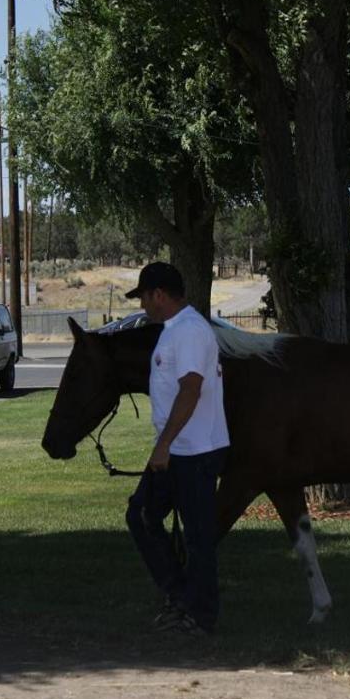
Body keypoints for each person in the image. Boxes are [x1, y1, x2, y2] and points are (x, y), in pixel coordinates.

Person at [123, 261, 229, 636]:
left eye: (144, 298)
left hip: (194, 450)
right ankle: (180, 595)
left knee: (198, 537)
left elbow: (191, 388)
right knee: (143, 515)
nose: (143, 306)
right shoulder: (175, 330)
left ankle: (200, 616)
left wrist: (164, 444)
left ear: (160, 294)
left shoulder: (189, 331)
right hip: (178, 449)